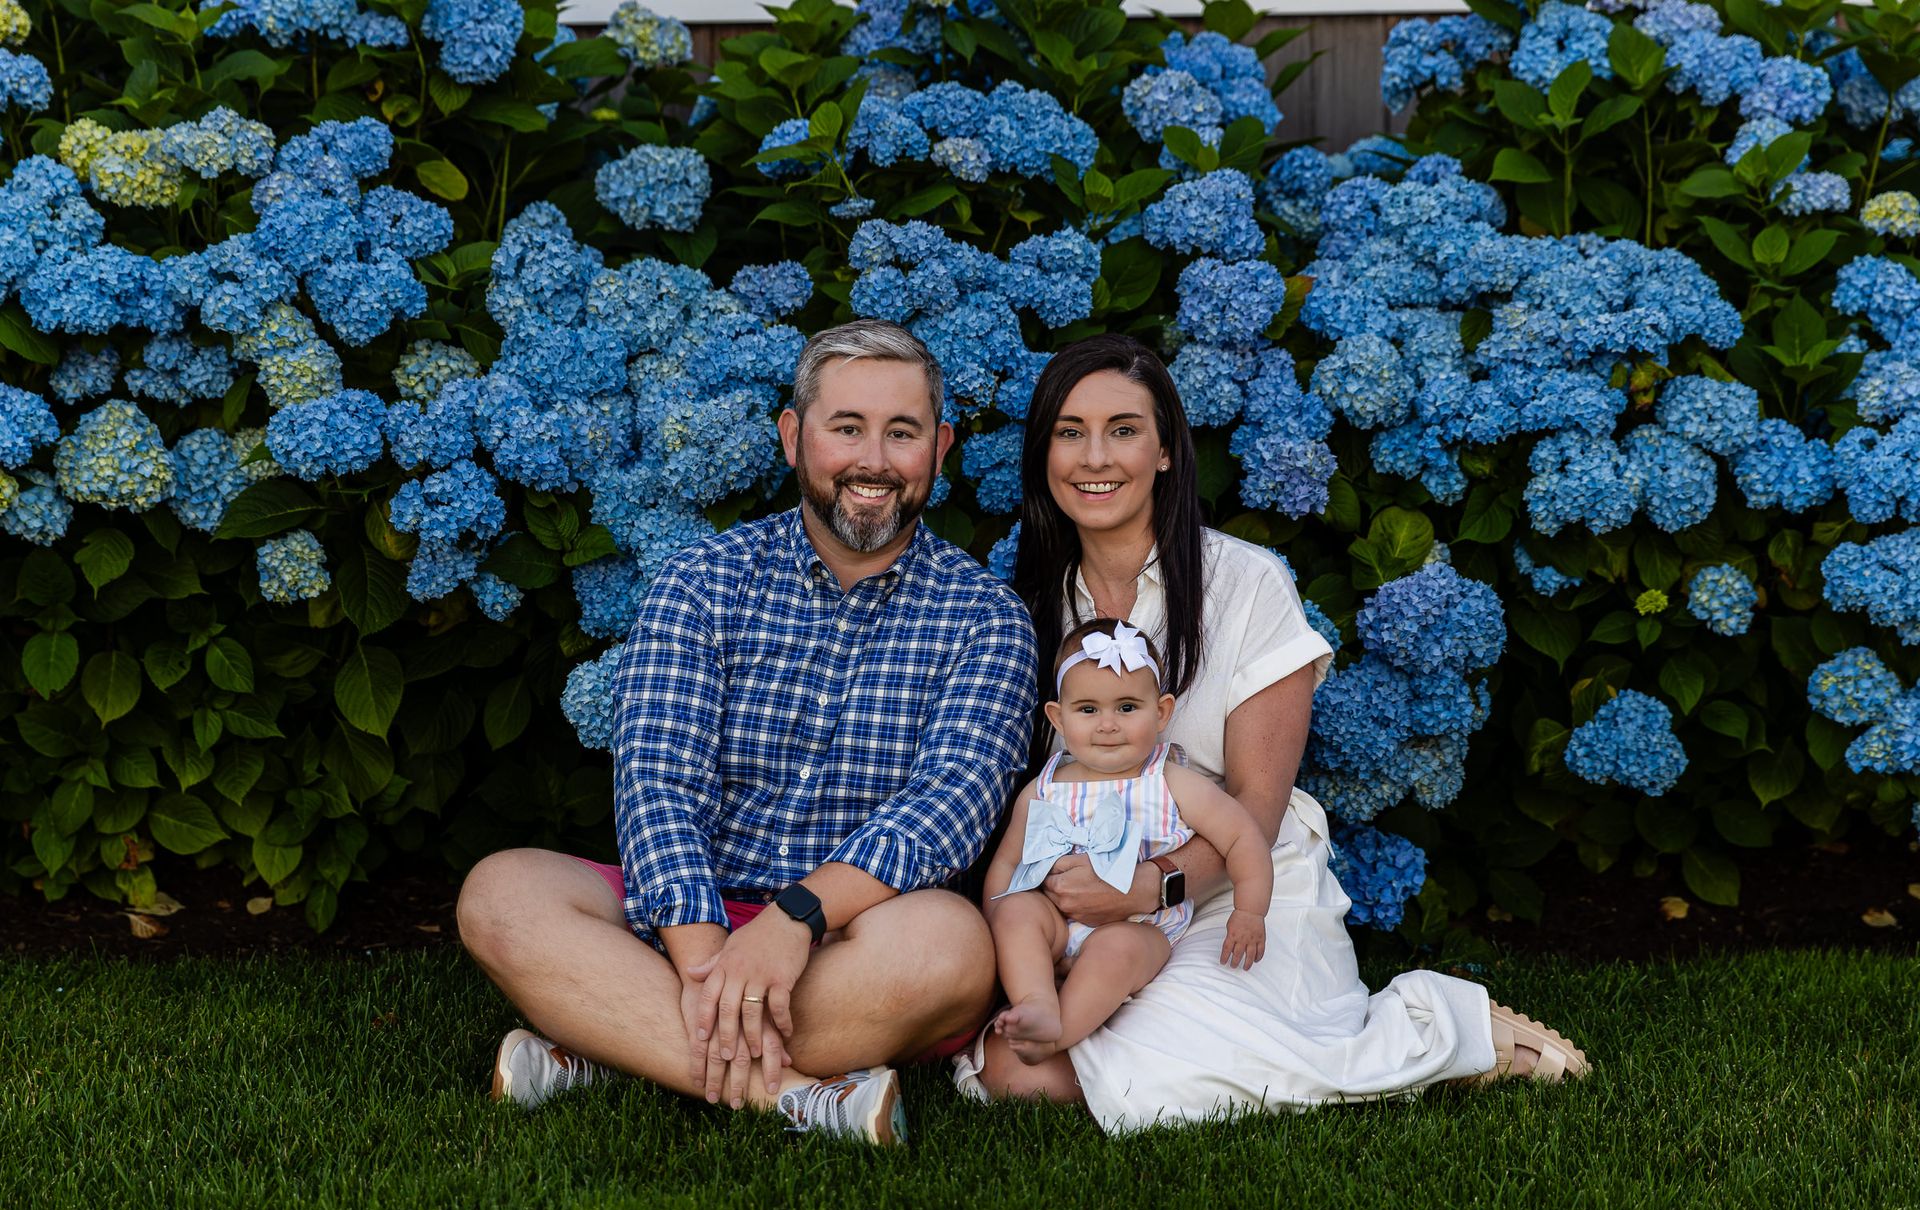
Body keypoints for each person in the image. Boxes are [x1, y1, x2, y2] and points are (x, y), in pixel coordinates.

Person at [953, 333, 1589, 1129]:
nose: (1095, 457)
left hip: (1235, 883)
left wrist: (1153, 887)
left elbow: (1255, 803)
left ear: (1165, 453)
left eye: (1123, 429)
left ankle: (1445, 1028)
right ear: (1043, 453)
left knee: (1163, 1070)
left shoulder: (1245, 580)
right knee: (1021, 1074)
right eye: (1069, 431)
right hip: (1083, 900)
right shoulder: (1025, 602)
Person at [457, 318, 1038, 1146]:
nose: (874, 459)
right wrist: (703, 957)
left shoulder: (987, 619)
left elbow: (948, 808)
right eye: (847, 428)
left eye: (901, 432)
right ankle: (798, 1098)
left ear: (939, 448)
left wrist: (792, 922)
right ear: (793, 437)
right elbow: (658, 781)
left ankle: (606, 1039)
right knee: (502, 893)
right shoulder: (701, 580)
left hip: (855, 936)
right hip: (687, 911)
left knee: (952, 947)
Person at [985, 617, 1275, 1067]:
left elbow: (1242, 837)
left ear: (1160, 712)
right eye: (1087, 710)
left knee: (1116, 949)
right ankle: (1036, 1000)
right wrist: (1000, 922)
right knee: (1016, 908)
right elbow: (1005, 867)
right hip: (1057, 922)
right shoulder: (1043, 788)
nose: (1107, 725)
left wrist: (1250, 909)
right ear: (1058, 718)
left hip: (1142, 925)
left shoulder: (1168, 780)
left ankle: (1059, 1033)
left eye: (1126, 708)